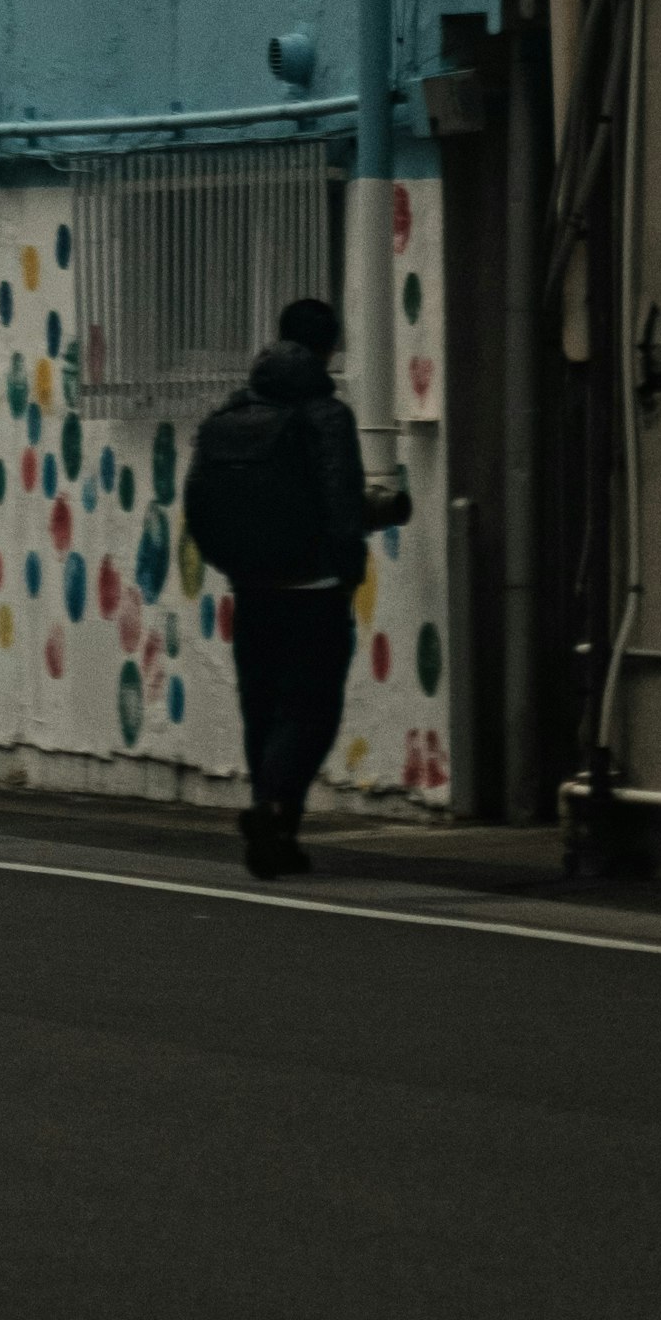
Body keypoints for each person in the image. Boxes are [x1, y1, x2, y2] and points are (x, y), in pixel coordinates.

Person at [202, 290, 407, 879]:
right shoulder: (327, 414)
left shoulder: (237, 407)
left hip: (252, 587)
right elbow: (342, 504)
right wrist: (349, 566)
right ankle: (273, 811)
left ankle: (274, 836)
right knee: (311, 711)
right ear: (327, 348)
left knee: (262, 712)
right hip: (314, 590)